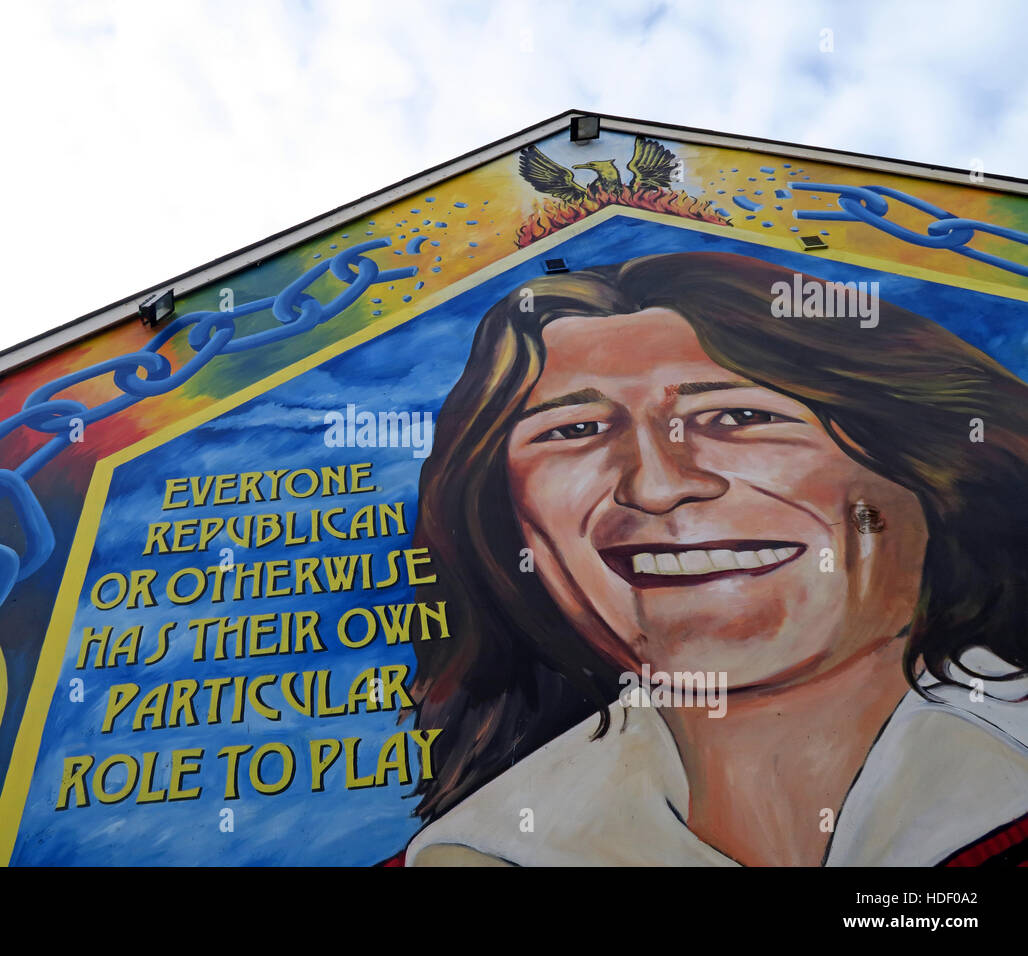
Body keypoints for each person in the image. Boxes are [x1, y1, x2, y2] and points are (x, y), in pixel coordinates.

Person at [399, 251, 1028, 866]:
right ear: (507, 517)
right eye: (574, 431)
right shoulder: (475, 850)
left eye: (738, 416)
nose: (655, 486)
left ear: (932, 468)